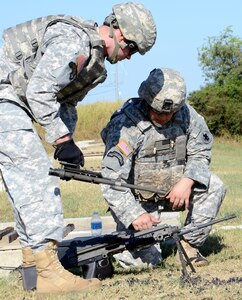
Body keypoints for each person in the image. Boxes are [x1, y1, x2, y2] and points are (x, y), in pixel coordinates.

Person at [0, 2, 156, 296]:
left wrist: (67, 143)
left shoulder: (96, 66)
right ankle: (47, 273)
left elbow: (66, 103)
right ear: (119, 33)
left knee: (24, 185)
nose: (129, 57)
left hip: (14, 99)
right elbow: (39, 91)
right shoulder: (74, 40)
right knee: (35, 178)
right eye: (132, 49)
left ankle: (32, 270)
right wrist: (61, 141)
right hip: (4, 94)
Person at [101, 67, 226, 270]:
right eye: (159, 112)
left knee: (215, 185)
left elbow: (201, 153)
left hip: (177, 193)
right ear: (147, 101)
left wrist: (187, 181)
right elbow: (111, 179)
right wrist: (134, 214)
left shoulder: (188, 116)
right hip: (139, 203)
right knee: (143, 264)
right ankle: (144, 244)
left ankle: (189, 245)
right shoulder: (126, 123)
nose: (166, 117)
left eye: (171, 112)